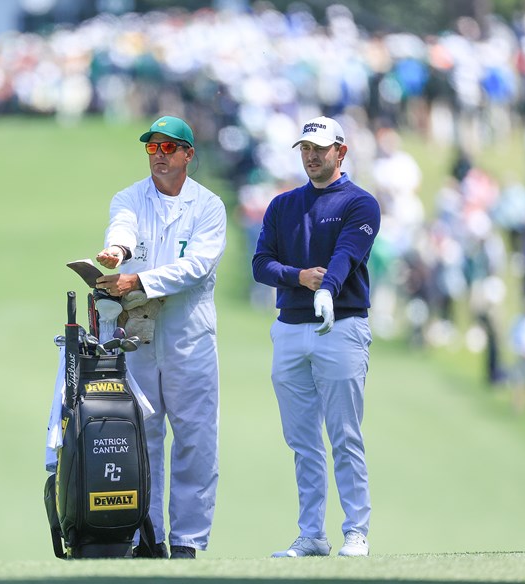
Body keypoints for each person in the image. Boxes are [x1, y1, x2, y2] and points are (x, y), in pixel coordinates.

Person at [94, 115, 227, 560]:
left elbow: (197, 267)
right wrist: (115, 253)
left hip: (189, 333)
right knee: (141, 433)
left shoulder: (208, 206)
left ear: (189, 153)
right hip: (140, 334)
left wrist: (140, 281)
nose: (160, 156)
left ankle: (187, 539)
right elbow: (123, 229)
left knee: (195, 436)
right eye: (153, 148)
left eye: (169, 148)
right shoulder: (129, 197)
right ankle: (144, 536)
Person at [252, 116, 380, 558]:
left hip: (341, 326)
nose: (310, 156)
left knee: (345, 435)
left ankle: (356, 531)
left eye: (319, 149)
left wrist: (326, 287)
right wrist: (299, 277)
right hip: (289, 329)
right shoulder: (283, 205)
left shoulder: (360, 203)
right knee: (303, 442)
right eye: (305, 148)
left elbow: (347, 253)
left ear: (340, 152)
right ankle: (312, 535)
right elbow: (261, 264)